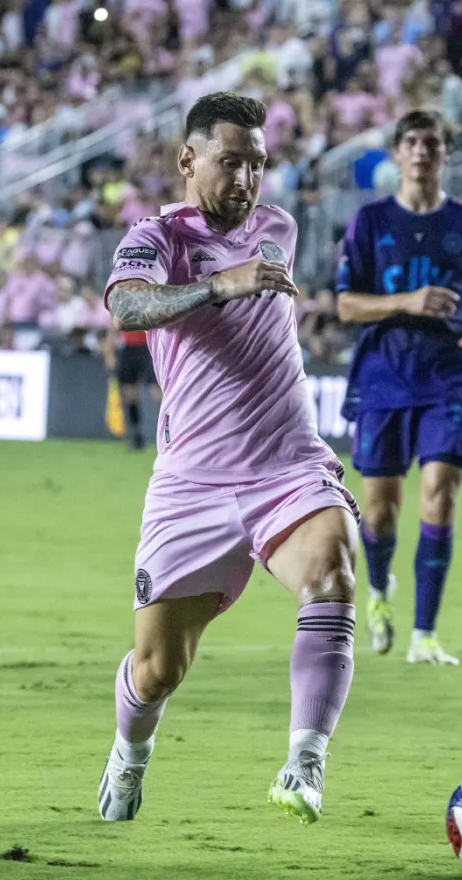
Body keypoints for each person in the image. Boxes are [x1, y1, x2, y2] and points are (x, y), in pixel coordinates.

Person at [97, 92, 360, 826]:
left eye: (257, 164)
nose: (246, 179)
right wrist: (219, 284)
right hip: (193, 484)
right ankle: (129, 755)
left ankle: (305, 762)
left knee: (333, 573)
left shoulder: (279, 226)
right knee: (157, 671)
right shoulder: (155, 237)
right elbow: (127, 307)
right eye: (230, 161)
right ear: (187, 159)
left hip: (288, 466)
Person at [335, 108, 462, 665]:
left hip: (447, 377)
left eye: (432, 143)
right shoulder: (370, 221)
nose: (421, 151)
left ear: (445, 153)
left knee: (441, 492)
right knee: (380, 511)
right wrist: (405, 302)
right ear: (396, 151)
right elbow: (344, 304)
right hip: (383, 377)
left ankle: (425, 635)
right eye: (411, 142)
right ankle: (380, 591)